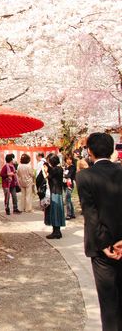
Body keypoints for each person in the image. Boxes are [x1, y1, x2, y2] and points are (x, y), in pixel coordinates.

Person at [77, 132, 122, 330]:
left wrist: (104, 244)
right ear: (112, 150)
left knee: (108, 301)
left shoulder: (84, 176)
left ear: (90, 151)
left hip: (100, 247)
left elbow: (91, 214)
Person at [44, 154, 65, 239]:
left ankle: (56, 232)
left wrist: (46, 170)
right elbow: (51, 171)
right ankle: (57, 231)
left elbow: (49, 176)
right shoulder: (59, 168)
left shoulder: (56, 169)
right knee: (57, 212)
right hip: (58, 192)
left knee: (55, 212)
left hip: (55, 192)